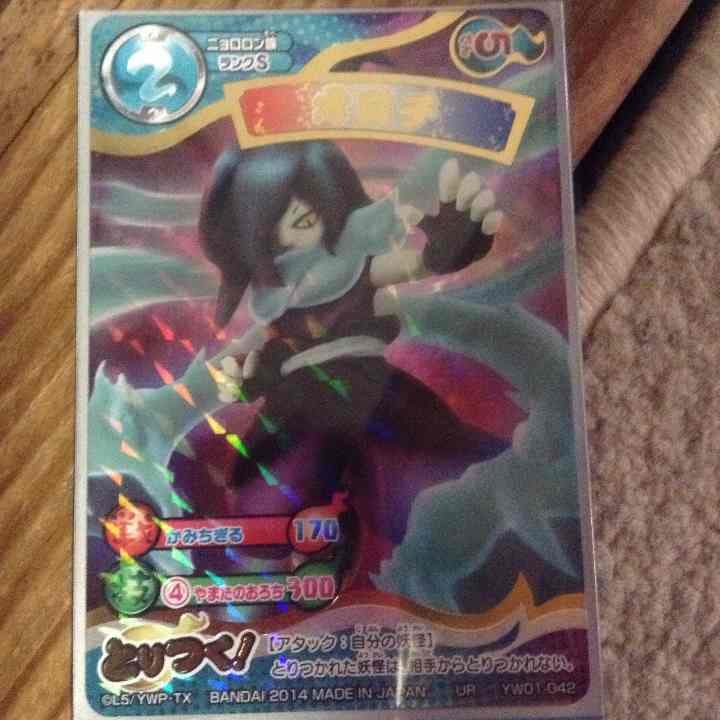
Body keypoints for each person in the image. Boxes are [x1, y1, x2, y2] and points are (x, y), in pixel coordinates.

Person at [199, 140, 507, 490]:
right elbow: (272, 357)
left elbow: (416, 265)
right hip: (298, 401)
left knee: (435, 463)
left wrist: (450, 247)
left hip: (367, 387)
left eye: (307, 192)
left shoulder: (346, 262)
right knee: (277, 484)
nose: (299, 207)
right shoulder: (272, 296)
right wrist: (245, 379)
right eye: (277, 205)